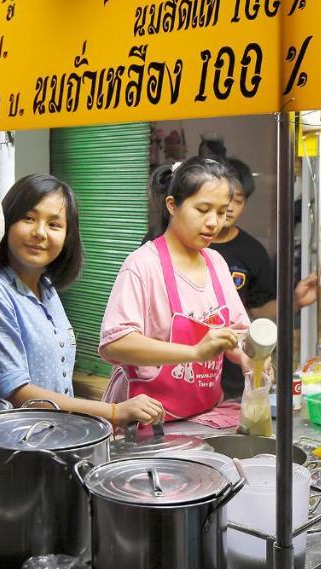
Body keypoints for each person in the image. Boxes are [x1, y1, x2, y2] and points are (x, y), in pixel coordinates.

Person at [0, 174, 162, 425]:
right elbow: (16, 392)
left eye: (54, 225)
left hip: (50, 438)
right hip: (5, 446)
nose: (39, 233)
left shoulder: (44, 286)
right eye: (29, 218)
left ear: (67, 236)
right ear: (7, 222)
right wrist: (112, 412)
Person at [99, 157, 252, 423]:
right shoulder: (143, 264)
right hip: (147, 422)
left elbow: (237, 334)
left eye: (221, 212)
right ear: (172, 205)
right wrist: (194, 353)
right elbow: (115, 343)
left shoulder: (216, 262)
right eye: (203, 209)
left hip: (202, 417)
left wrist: (249, 357)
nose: (213, 223)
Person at [211, 157, 319, 398]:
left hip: (231, 373)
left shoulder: (252, 252)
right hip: (182, 370)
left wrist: (295, 300)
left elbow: (259, 310)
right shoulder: (187, 247)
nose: (228, 208)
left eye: (237, 201)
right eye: (222, 200)